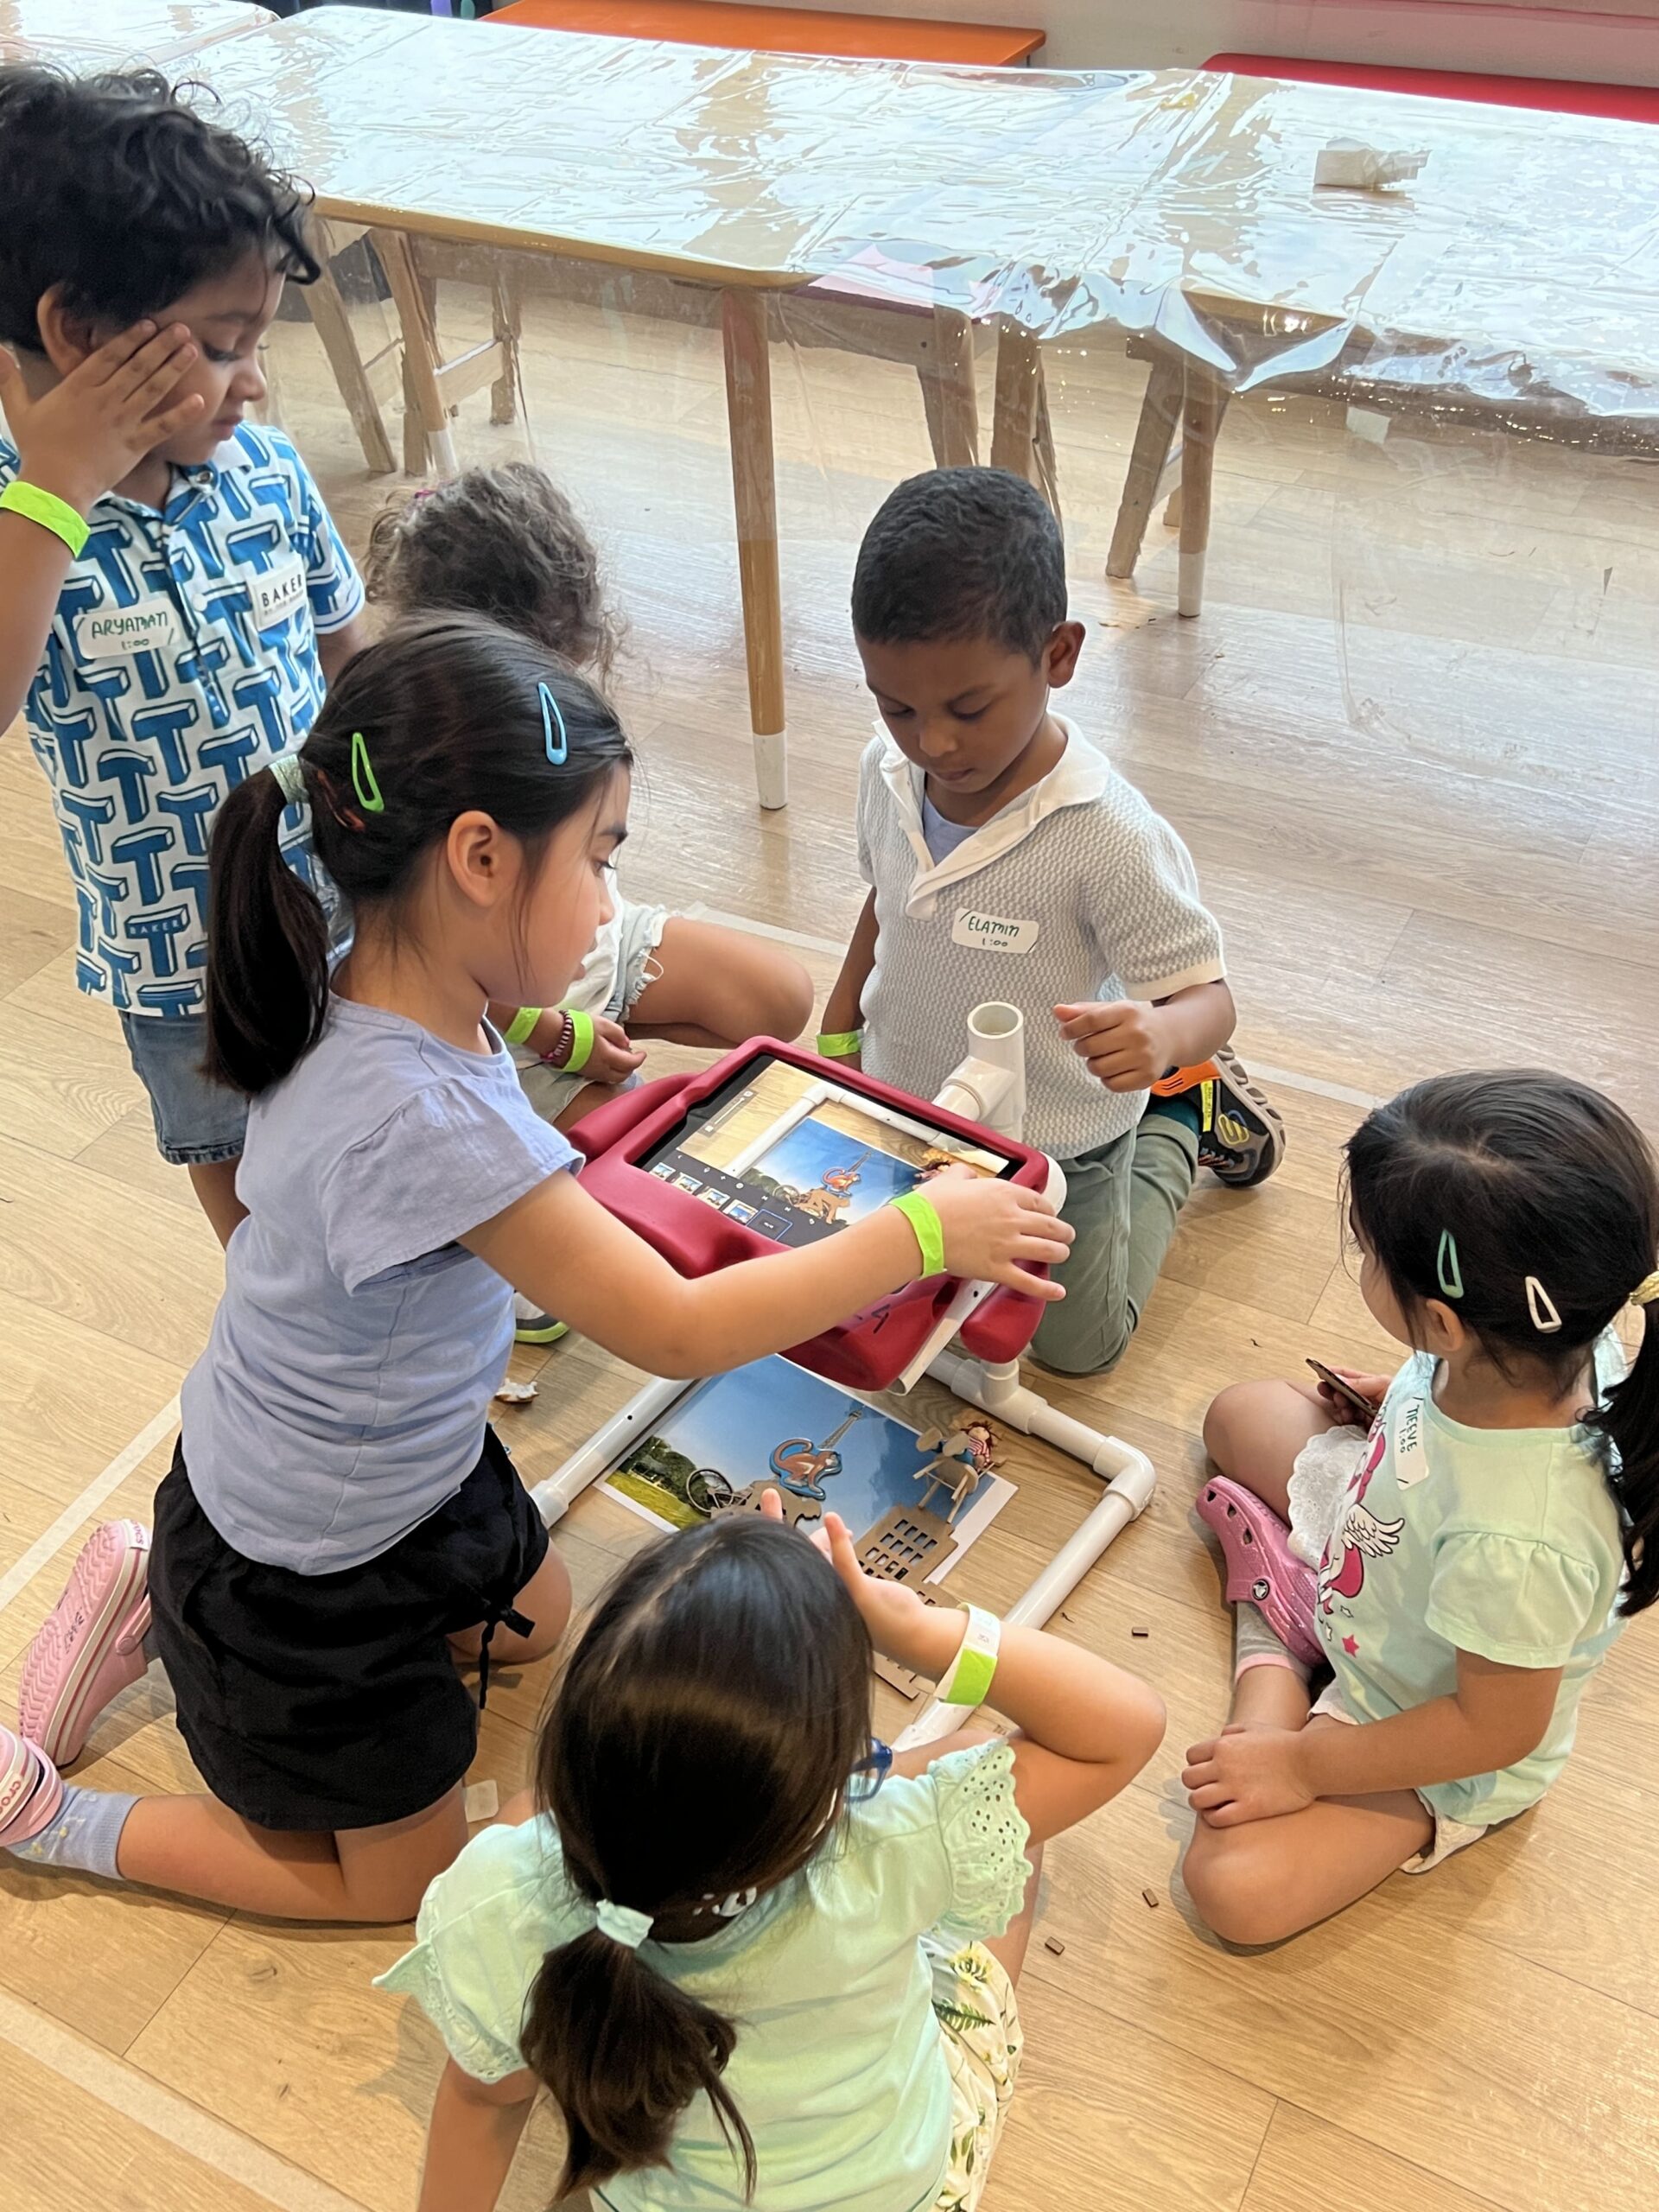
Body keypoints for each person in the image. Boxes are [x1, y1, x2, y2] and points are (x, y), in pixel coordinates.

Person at [0, 615, 1071, 1925]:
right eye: (599, 858)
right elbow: (677, 1328)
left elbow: (481, 1078)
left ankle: (155, 1588)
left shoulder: (355, 976)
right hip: (300, 1571)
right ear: (478, 857)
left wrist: (550, 1029)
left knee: (545, 1620)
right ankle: (54, 1814)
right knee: (403, 1888)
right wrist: (920, 1235)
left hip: (401, 1470)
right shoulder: (432, 1127)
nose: (611, 904)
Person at [377, 1498, 1166, 2212]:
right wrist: (913, 1630)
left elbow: (483, 2103)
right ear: (827, 1791)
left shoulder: (504, 1894)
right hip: (901, 2192)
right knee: (980, 1783)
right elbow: (1124, 1729)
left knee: (520, 1814)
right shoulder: (888, 1847)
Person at [0, 67, 370, 1248]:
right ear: (77, 331)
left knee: (384, 1127)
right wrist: (57, 489)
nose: (252, 380)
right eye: (220, 346)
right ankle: (288, 1332)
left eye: (257, 341)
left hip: (342, 906)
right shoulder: (19, 526)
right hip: (182, 966)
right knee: (258, 1216)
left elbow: (351, 662)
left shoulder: (263, 468)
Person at [820, 467, 1283, 1378]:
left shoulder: (1108, 836)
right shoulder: (886, 770)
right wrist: (839, 1031)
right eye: (897, 706)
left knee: (1079, 1349)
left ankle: (1181, 1114)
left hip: (1068, 1136)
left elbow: (1209, 996)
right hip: (913, 1107)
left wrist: (1164, 1038)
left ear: (1059, 655)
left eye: (969, 708)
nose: (933, 743)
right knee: (885, 1300)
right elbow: (885, 901)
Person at [1182, 1069, 1659, 1943]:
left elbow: (1493, 1728)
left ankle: (1275, 1645)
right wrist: (1397, 1394)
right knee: (1236, 1415)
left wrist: (1301, 1764)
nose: (1362, 1263)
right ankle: (1304, 1605)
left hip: (1422, 1724)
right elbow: (1445, 1422)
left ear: (1443, 1324)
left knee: (1234, 1889)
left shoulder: (1522, 1540)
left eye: (1368, 1255)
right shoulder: (1555, 1334)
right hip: (1391, 1548)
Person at [365, 464, 815, 1344]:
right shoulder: (420, 770)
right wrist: (551, 1033)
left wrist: (592, 926)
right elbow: (426, 964)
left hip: (572, 963)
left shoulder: (541, 720)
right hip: (510, 1022)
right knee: (629, 1220)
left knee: (779, 996)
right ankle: (540, 1171)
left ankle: (588, 1102)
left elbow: (582, 884)